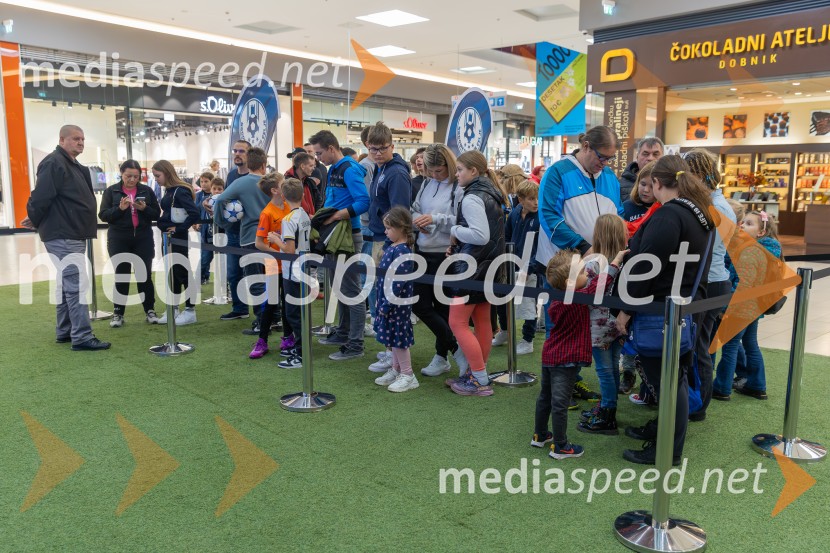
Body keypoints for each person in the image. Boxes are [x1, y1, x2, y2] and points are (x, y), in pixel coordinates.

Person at [615, 155, 714, 465]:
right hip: (681, 305)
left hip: (662, 308)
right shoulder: (697, 213)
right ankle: (665, 436)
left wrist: (626, 310)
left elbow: (648, 268)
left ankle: (667, 450)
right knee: (675, 379)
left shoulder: (670, 215)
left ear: (657, 183)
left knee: (669, 383)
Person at [536, 125, 624, 406]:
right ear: (586, 146)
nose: (605, 163)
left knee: (585, 329)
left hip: (596, 267)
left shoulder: (608, 176)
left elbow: (617, 214)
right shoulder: (558, 172)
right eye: (602, 156)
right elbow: (548, 215)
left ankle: (571, 382)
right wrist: (583, 247)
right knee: (560, 327)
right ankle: (557, 388)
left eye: (610, 158)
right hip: (565, 267)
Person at [24, 124, 111, 350]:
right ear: (62, 140)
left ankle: (65, 330)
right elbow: (41, 196)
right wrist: (35, 217)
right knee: (76, 284)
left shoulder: (72, 165)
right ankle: (81, 336)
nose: (80, 142)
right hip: (63, 234)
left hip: (72, 232)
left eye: (82, 139)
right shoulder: (54, 162)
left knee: (67, 283)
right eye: (75, 138)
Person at [533, 249, 619, 460]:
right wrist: (614, 263)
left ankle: (540, 434)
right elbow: (599, 285)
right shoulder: (576, 298)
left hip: (550, 355)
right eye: (582, 272)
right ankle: (560, 446)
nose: (587, 275)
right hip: (565, 359)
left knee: (546, 397)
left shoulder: (558, 298)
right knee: (559, 403)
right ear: (570, 283)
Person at [445, 150, 505, 397]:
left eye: (459, 169)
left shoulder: (472, 197)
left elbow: (481, 236)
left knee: (457, 322)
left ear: (473, 171)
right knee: (482, 320)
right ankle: (477, 373)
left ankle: (478, 376)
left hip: (471, 268)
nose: (456, 173)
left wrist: (455, 230)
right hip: (489, 267)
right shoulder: (493, 193)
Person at [684, 148, 736, 421]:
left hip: (712, 283)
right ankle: (695, 402)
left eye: (688, 174)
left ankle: (698, 406)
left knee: (699, 349)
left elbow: (707, 251)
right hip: (713, 281)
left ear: (701, 175)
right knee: (696, 346)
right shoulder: (713, 203)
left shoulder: (716, 207)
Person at [309, 130, 370, 360]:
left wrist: (336, 217)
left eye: (319, 153)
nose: (317, 158)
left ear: (331, 148)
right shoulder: (335, 168)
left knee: (351, 291)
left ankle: (356, 344)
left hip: (346, 235)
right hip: (336, 236)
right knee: (341, 289)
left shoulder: (349, 169)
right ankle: (345, 333)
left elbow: (364, 201)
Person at [409, 143, 465, 377]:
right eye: (430, 171)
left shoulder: (458, 188)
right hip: (422, 250)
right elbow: (414, 208)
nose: (433, 175)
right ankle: (456, 349)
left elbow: (461, 221)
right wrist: (418, 221)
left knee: (443, 309)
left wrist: (435, 219)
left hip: (445, 253)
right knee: (420, 304)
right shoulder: (426, 184)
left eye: (438, 171)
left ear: (448, 165)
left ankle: (442, 356)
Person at [714, 211, 782, 401]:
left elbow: (743, 283)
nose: (742, 225)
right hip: (755, 306)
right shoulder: (767, 249)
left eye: (749, 224)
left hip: (741, 306)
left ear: (761, 232)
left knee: (730, 346)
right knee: (751, 344)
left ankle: (722, 387)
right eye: (743, 222)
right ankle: (757, 385)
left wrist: (727, 307)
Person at [576, 214, 628, 435]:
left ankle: (607, 413)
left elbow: (586, 294)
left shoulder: (592, 263)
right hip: (620, 321)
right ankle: (610, 405)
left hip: (598, 325)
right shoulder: (628, 261)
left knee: (605, 370)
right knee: (613, 365)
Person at [213, 147, 272, 335]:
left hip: (250, 237)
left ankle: (262, 322)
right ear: (264, 165)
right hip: (273, 237)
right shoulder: (272, 181)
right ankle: (275, 317)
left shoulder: (241, 182)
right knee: (272, 280)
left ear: (249, 163)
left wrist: (220, 221)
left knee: (255, 280)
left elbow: (220, 200)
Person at [98, 159, 161, 327]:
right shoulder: (111, 191)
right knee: (121, 275)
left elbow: (156, 213)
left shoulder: (147, 190)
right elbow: (103, 215)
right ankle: (118, 313)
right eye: (128, 176)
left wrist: (144, 209)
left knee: (144, 275)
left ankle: (150, 310)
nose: (132, 179)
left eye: (135, 176)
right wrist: (120, 209)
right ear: (121, 174)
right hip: (119, 239)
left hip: (143, 239)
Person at [267, 178, 313, 369]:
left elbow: (289, 250)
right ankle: (302, 348)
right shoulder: (304, 214)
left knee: (294, 314)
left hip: (293, 272)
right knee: (300, 312)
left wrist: (274, 239)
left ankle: (302, 354)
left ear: (283, 196)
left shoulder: (288, 219)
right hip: (304, 269)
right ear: (302, 195)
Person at [372, 207, 419, 392]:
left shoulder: (402, 251)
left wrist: (387, 302)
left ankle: (408, 374)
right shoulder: (392, 247)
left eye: (389, 228)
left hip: (397, 304)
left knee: (399, 340)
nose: (385, 232)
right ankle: (396, 369)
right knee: (392, 338)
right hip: (388, 301)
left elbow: (397, 283)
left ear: (400, 228)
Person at [496, 179, 543, 355]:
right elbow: (506, 235)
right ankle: (505, 331)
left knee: (528, 303)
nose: (536, 202)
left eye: (537, 198)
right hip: (511, 265)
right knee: (502, 299)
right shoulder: (515, 212)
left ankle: (528, 340)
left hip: (531, 268)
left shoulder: (540, 217)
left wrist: (530, 267)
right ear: (520, 199)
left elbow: (541, 246)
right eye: (531, 199)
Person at [248, 173, 290, 360]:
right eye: (283, 184)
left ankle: (288, 338)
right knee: (271, 303)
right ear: (275, 190)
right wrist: (276, 254)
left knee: (289, 303)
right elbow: (259, 242)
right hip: (274, 266)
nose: (287, 186)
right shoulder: (267, 213)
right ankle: (262, 340)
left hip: (290, 265)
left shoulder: (290, 206)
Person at [154, 159, 200, 325]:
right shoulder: (170, 190)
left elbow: (194, 213)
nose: (156, 179)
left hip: (177, 238)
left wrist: (179, 229)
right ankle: (173, 309)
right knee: (171, 273)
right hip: (168, 238)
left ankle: (190, 310)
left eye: (158, 175)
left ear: (166, 173)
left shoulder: (180, 191)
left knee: (182, 272)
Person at [366, 121, 412, 271]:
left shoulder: (397, 173)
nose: (378, 153)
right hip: (379, 237)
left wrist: (388, 245)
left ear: (392, 147)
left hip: (389, 242)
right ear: (368, 147)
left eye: (383, 148)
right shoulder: (380, 168)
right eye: (374, 149)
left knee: (385, 290)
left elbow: (400, 213)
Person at [217, 140, 252, 321]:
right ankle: (240, 308)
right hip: (232, 232)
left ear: (249, 154)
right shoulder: (231, 175)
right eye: (235, 151)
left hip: (251, 233)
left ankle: (266, 315)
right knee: (233, 273)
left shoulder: (256, 176)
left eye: (241, 151)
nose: (237, 154)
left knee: (254, 274)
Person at [195, 171, 215, 285]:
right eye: (201, 181)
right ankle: (201, 276)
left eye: (206, 181)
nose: (203, 184)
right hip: (203, 229)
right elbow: (195, 210)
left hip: (217, 230)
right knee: (205, 255)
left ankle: (204, 275)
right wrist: (196, 223)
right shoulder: (198, 195)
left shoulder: (217, 194)